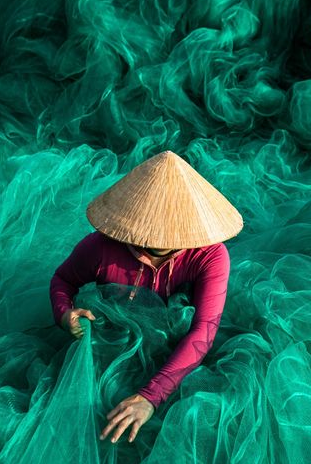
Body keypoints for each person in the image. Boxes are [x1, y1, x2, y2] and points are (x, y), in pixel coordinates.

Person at [49, 150, 243, 445]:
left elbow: (203, 329)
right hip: (112, 341)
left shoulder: (210, 256)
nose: (151, 244)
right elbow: (63, 280)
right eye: (143, 240)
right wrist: (65, 312)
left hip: (180, 350)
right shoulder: (99, 248)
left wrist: (150, 396)